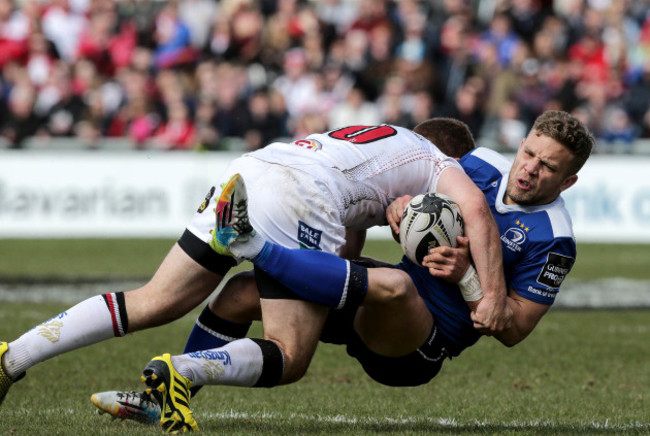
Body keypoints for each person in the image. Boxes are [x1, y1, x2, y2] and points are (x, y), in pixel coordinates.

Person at [94, 110, 593, 433]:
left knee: (394, 288)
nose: (529, 169)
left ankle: (257, 245)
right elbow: (419, 205)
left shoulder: (554, 239)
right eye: (529, 152)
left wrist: (468, 277)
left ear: (568, 179)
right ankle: (165, 400)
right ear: (521, 140)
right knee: (240, 294)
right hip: (373, 297)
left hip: (418, 343)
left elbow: (508, 328)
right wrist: (401, 208)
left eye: (548, 167)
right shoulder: (479, 163)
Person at [0, 118, 509, 432]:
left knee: (151, 301)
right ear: (454, 156)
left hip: (251, 171)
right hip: (301, 196)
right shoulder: (440, 161)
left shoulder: (381, 142)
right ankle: (186, 365)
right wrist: (489, 296)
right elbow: (480, 215)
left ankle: (14, 356)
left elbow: (345, 250)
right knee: (289, 355)